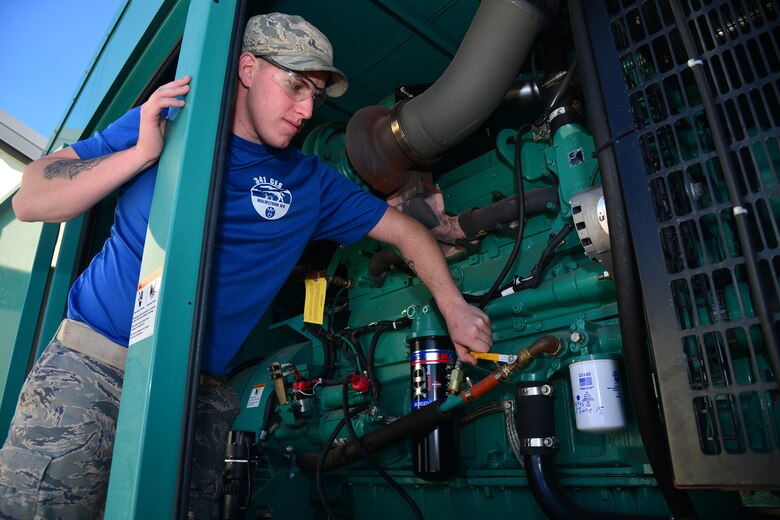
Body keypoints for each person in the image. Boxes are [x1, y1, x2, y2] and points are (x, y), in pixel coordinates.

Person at [1, 12, 492, 519]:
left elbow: (406, 229)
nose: (306, 110)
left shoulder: (310, 182)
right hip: (95, 370)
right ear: (247, 68)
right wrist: (141, 154)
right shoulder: (169, 124)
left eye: (316, 96)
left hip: (197, 399)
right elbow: (32, 197)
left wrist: (454, 306)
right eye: (295, 85)